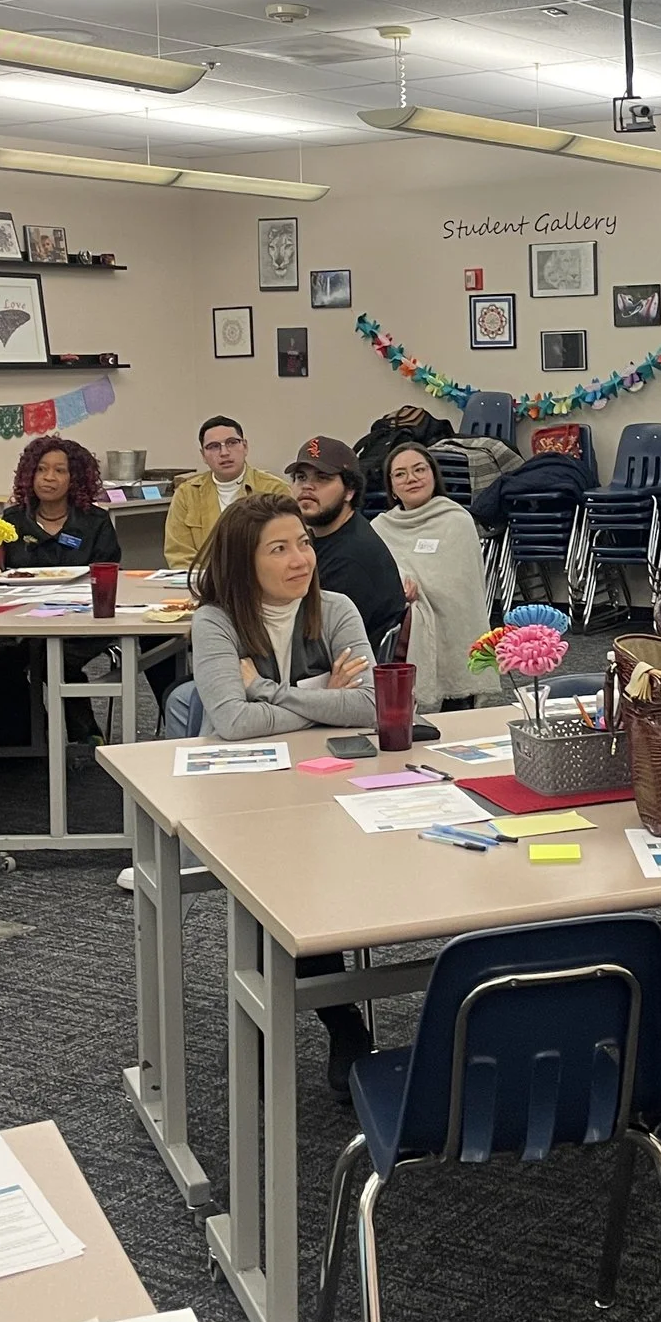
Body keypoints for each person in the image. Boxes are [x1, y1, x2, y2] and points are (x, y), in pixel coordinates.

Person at [184, 494, 378, 1097]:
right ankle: (340, 1021)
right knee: (285, 883)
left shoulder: (336, 608)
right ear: (244, 562)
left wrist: (268, 690)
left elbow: (370, 706)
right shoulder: (216, 621)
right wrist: (324, 696)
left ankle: (272, 1019)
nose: (300, 559)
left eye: (304, 543)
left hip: (326, 782)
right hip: (241, 789)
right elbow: (232, 721)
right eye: (279, 548)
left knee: (313, 876)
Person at [0, 437, 121, 753]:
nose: (49, 478)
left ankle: (85, 737)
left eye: (60, 470)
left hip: (84, 621)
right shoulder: (12, 520)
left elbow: (108, 572)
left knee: (53, 658)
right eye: (41, 469)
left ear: (75, 478)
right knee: (2, 661)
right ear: (29, 474)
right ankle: (30, 738)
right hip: (25, 622)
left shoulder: (95, 521)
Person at [369, 444, 494, 712]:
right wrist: (398, 584)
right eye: (400, 474)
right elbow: (374, 575)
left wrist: (417, 590)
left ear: (433, 476)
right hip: (394, 620)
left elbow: (459, 588)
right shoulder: (379, 527)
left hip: (449, 627)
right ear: (391, 487)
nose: (411, 478)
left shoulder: (456, 521)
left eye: (419, 470)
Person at [283, 436, 407, 653]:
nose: (307, 486)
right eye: (301, 477)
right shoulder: (322, 536)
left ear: (349, 491)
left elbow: (314, 642)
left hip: (338, 665)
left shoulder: (352, 558)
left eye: (322, 478)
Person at [163, 417, 289, 568]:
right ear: (203, 455)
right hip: (203, 579)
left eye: (232, 443)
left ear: (245, 447)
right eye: (213, 446)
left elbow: (285, 548)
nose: (224, 452)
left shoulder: (274, 490)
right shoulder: (187, 494)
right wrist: (209, 579)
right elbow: (179, 555)